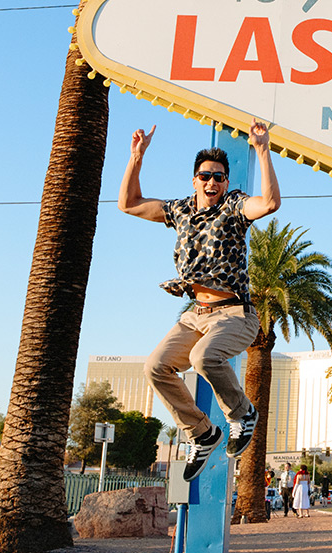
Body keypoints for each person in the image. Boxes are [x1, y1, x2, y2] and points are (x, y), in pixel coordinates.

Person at [119, 121, 280, 482]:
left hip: (235, 314)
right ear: (195, 181)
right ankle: (202, 433)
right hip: (195, 315)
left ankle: (242, 413)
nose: (212, 183)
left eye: (219, 177)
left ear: (225, 182)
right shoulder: (179, 211)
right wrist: (136, 158)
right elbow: (128, 204)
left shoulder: (234, 206)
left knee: (202, 357)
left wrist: (262, 150)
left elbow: (269, 203)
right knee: (155, 367)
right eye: (206, 176)